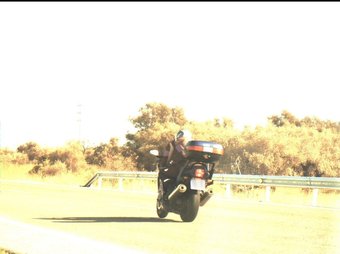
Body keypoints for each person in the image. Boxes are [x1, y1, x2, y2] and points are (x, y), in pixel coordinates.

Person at [157, 129, 192, 197]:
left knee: (162, 173)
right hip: (189, 170)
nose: (180, 139)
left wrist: (163, 165)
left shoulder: (174, 145)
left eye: (181, 137)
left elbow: (165, 156)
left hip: (178, 169)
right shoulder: (193, 145)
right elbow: (166, 156)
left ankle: (162, 194)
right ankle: (163, 193)